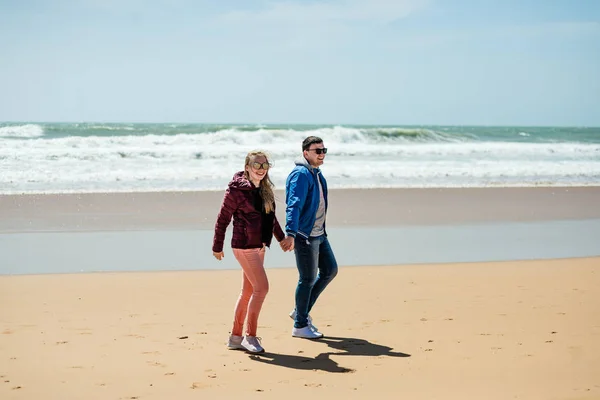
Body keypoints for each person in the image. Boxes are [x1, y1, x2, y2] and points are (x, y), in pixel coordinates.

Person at [212, 150, 290, 353]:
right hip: (244, 246)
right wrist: (217, 246)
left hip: (260, 246)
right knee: (262, 288)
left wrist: (281, 238)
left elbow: (270, 219)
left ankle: (235, 338)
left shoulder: (265, 190)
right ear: (247, 168)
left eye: (265, 165)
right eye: (257, 165)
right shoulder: (236, 191)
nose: (261, 169)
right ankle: (251, 337)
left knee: (248, 291)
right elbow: (223, 218)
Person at [281, 136, 338, 339]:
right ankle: (300, 325)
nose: (322, 154)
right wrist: (291, 233)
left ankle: (300, 311)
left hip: (319, 233)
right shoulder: (301, 174)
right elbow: (293, 205)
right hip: (305, 236)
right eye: (317, 151)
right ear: (306, 153)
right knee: (307, 279)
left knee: (330, 270)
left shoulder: (316, 174)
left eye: (324, 150)